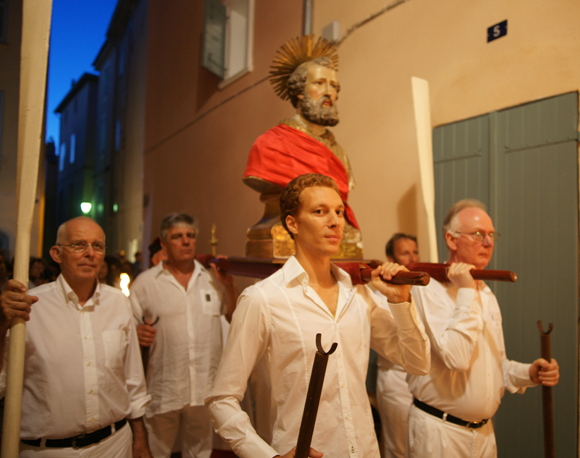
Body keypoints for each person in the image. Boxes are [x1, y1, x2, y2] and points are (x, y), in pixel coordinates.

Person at [206, 173, 430, 458]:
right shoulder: (263, 299)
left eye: (339, 212)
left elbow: (418, 363)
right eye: (320, 212)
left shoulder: (358, 295)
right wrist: (267, 456)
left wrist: (401, 303)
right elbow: (221, 399)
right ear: (292, 223)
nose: (335, 221)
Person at [406, 199, 560, 458]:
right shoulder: (428, 289)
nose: (488, 243)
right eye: (478, 234)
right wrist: (467, 290)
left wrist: (529, 373)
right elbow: (456, 358)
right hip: (440, 433)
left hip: (485, 434)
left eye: (491, 235)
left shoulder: (486, 292)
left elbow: (495, 366)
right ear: (451, 240)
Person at [0, 216, 152, 457]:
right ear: (57, 253)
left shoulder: (119, 303)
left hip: (113, 445)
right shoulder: (30, 306)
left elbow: (133, 378)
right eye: (79, 245)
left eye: (97, 246)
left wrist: (140, 439)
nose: (90, 253)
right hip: (48, 450)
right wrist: (1, 325)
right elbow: (2, 381)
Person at [130, 213, 239, 458]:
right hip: (164, 386)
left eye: (190, 236)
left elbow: (233, 318)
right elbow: (128, 330)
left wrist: (230, 286)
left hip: (203, 386)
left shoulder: (211, 279)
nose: (186, 241)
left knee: (199, 451)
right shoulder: (145, 283)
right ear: (165, 245)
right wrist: (138, 332)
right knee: (157, 450)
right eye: (177, 237)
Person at [243, 36, 362, 258]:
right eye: (319, 83)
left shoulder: (339, 152)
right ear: (299, 91)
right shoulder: (270, 144)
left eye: (334, 86)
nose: (329, 92)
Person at [376, 233, 420, 458]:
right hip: (395, 378)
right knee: (397, 448)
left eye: (415, 252)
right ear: (391, 257)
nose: (412, 258)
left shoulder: (423, 285)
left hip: (423, 378)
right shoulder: (380, 291)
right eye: (405, 253)